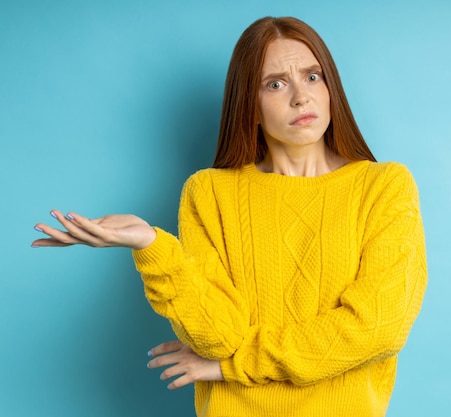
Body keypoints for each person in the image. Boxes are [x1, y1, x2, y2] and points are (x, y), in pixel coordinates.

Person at [32, 16, 427, 417]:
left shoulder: (383, 186)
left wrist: (233, 366)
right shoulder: (210, 192)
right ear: (249, 105)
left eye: (312, 77)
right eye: (275, 83)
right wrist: (153, 246)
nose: (300, 97)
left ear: (331, 90)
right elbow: (217, 337)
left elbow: (378, 327)